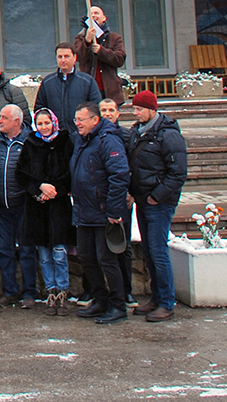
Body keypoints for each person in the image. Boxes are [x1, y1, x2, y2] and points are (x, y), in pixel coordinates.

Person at [126, 90, 187, 323]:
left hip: (159, 203)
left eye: (139, 109)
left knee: (158, 251)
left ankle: (166, 303)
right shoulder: (138, 132)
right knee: (149, 251)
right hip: (143, 200)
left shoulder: (168, 135)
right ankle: (156, 297)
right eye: (134, 108)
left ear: (152, 109)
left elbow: (178, 173)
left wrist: (156, 196)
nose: (135, 112)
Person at [71, 101, 130, 325]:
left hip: (103, 212)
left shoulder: (108, 140)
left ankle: (117, 305)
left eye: (81, 120)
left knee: (107, 260)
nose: (77, 123)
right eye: (76, 119)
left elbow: (119, 175)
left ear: (95, 120)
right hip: (84, 210)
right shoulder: (82, 139)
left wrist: (114, 210)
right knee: (86, 257)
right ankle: (100, 299)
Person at [16, 108, 76, 317]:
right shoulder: (30, 144)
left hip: (59, 206)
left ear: (54, 123)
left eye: (47, 123)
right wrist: (39, 188)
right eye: (40, 124)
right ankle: (50, 292)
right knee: (44, 255)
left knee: (59, 252)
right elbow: (21, 174)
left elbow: (71, 171)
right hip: (37, 207)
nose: (44, 127)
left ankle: (62, 292)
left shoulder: (65, 142)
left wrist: (55, 190)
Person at [0, 104, 38, 309]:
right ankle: (9, 291)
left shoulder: (31, 140)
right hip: (1, 207)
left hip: (24, 205)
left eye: (4, 118)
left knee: (26, 251)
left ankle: (29, 293)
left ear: (17, 121)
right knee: (4, 251)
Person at [99, 97, 136, 309]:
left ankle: (127, 291)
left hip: (122, 198)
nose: (107, 114)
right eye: (103, 110)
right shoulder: (95, 136)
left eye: (111, 110)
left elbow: (134, 165)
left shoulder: (126, 135)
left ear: (118, 113)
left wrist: (132, 192)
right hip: (100, 200)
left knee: (123, 245)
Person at [34, 43, 102, 139]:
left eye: (67, 56)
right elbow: (39, 109)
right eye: (60, 57)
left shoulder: (87, 81)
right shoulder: (47, 82)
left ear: (74, 58)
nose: (63, 60)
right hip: (55, 138)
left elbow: (95, 108)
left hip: (81, 137)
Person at [74, 5, 127, 105]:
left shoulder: (114, 38)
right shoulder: (80, 38)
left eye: (96, 13)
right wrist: (87, 41)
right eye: (91, 14)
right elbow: (79, 57)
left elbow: (120, 59)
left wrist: (101, 51)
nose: (94, 15)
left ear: (104, 18)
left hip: (110, 92)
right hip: (89, 90)